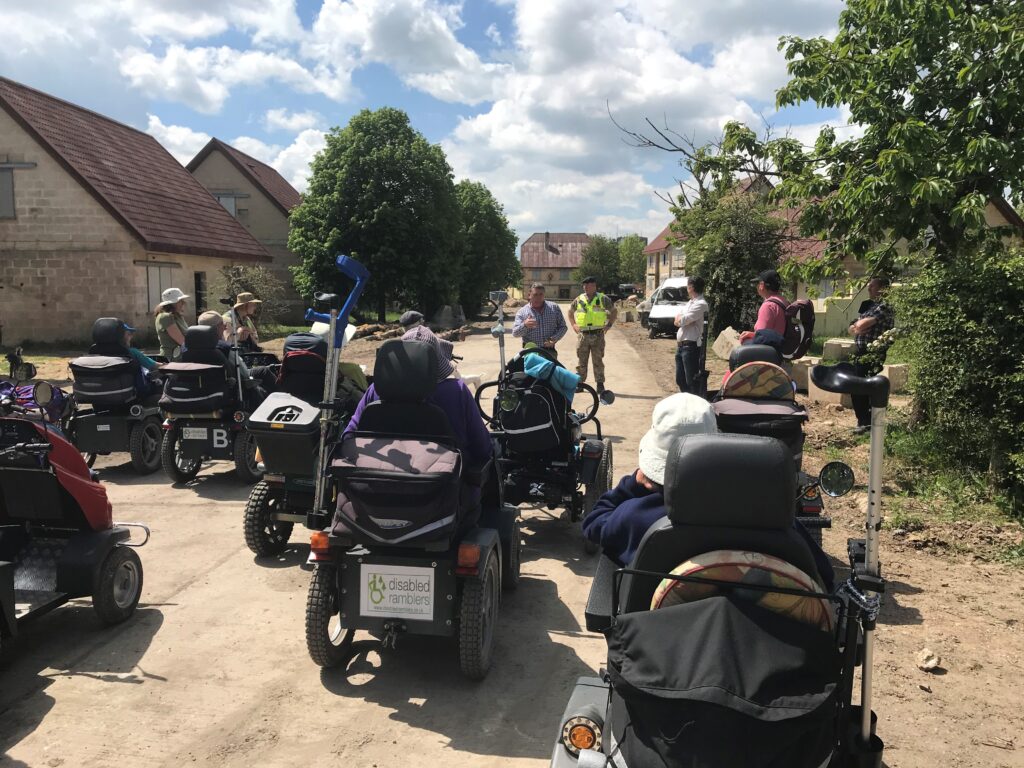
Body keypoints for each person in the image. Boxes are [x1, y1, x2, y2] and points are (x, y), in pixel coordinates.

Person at [581, 393, 834, 589]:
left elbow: (593, 522)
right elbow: (824, 575)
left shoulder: (636, 517)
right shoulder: (774, 523)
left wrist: (633, 484)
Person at [343, 325, 492, 471]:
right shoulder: (456, 391)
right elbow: (482, 448)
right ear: (436, 363)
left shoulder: (376, 390)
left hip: (375, 485)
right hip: (443, 488)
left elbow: (349, 436)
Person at [196, 311, 273, 409]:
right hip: (226, 389)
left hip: (199, 389)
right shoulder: (223, 348)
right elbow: (245, 374)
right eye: (223, 324)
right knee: (263, 371)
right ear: (216, 328)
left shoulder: (186, 348)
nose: (225, 327)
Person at [848, 277, 895, 433]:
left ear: (882, 289)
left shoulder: (884, 307)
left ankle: (866, 423)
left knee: (861, 386)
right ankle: (864, 421)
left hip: (873, 354)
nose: (869, 289)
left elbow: (860, 325)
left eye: (872, 286)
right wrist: (857, 326)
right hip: (861, 352)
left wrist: (859, 325)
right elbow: (852, 327)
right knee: (857, 386)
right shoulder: (870, 307)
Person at [568, 276, 616, 394]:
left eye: (587, 286)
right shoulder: (579, 299)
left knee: (598, 361)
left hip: (598, 335)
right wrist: (574, 325)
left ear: (594, 286)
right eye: (584, 286)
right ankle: (580, 384)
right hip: (583, 335)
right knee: (581, 361)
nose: (585, 288)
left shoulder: (603, 299)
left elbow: (614, 311)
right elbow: (570, 312)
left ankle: (600, 385)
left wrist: (609, 324)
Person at [673, 276, 709, 394]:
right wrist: (681, 319)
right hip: (681, 346)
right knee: (680, 379)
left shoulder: (701, 304)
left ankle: (694, 402)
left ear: (691, 287)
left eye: (688, 285)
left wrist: (681, 319)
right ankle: (687, 401)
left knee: (692, 381)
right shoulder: (690, 302)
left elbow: (683, 320)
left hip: (691, 346)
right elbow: (678, 318)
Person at [511, 283, 567, 355]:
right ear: (529, 295)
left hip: (549, 352)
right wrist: (525, 325)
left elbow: (563, 327)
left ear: (544, 295)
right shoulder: (522, 312)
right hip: (530, 353)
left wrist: (554, 339)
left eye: (541, 294)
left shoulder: (554, 308)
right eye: (535, 294)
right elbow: (515, 333)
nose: (538, 297)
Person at [739, 269, 787, 349]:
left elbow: (761, 338)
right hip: (781, 345)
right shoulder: (784, 301)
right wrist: (752, 334)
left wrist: (749, 336)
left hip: (770, 349)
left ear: (761, 285)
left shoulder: (768, 306)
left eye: (757, 283)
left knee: (744, 340)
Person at [154, 288, 190, 361]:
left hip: (182, 355)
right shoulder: (165, 317)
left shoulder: (178, 316)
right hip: (172, 358)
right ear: (172, 304)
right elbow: (182, 341)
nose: (183, 303)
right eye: (180, 301)